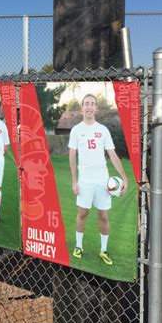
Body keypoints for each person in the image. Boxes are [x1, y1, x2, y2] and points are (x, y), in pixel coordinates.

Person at [69, 94, 129, 266]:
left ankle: (103, 250)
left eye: (92, 104)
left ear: (96, 108)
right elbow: (72, 158)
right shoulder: (76, 130)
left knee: (103, 215)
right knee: (83, 213)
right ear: (82, 108)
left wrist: (124, 177)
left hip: (103, 181)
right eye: (86, 103)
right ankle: (79, 246)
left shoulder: (103, 130)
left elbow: (113, 155)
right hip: (85, 181)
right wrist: (74, 181)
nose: (89, 107)